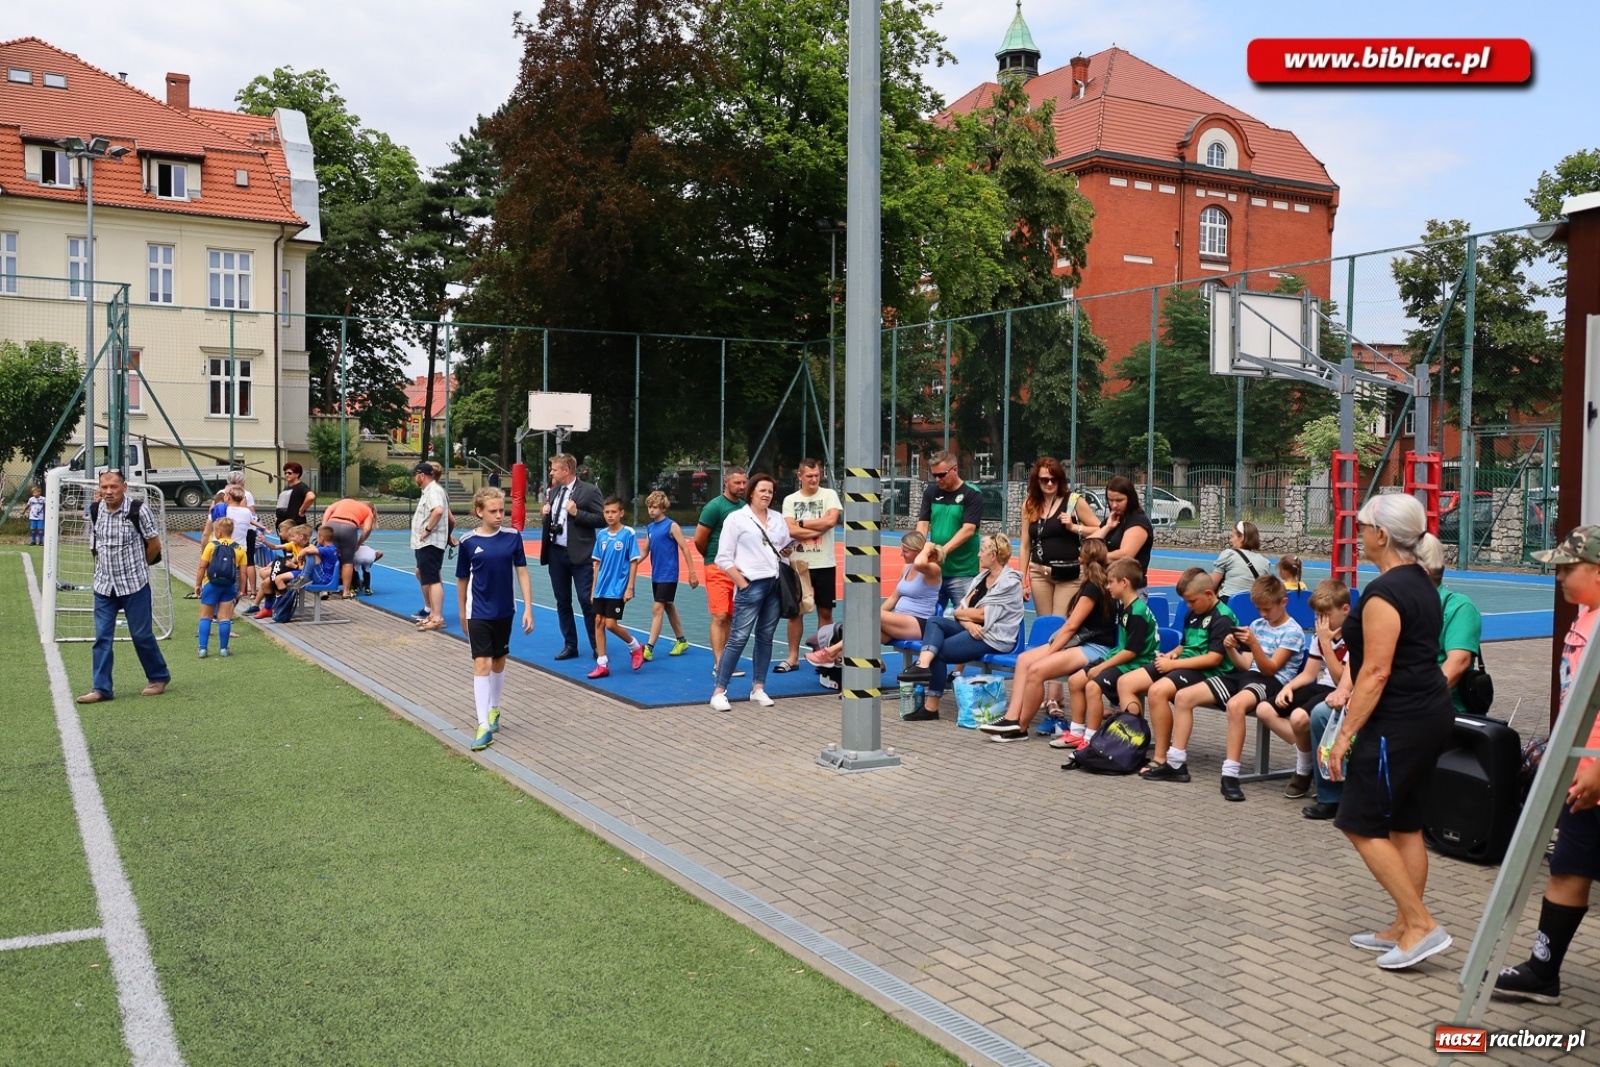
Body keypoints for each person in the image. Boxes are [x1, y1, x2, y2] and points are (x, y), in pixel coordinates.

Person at [1325, 494, 1455, 971]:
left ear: (1382, 535)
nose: (1358, 535)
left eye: (1362, 527)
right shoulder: (1420, 581)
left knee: (1359, 823)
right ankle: (1403, 926)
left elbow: (1375, 673)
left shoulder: (1384, 594)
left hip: (1398, 721)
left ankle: (1421, 924)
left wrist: (1344, 737)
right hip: (1428, 714)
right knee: (1405, 822)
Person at [1494, 525, 1600, 1006]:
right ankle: (1543, 971)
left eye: (1567, 566)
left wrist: (1596, 764)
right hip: (1579, 772)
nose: (1557, 575)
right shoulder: (1585, 616)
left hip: (1593, 770)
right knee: (1568, 868)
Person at [984, 539, 1117, 742]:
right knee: (1024, 660)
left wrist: (1051, 651)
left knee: (1037, 670)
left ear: (1081, 559)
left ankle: (1021, 728)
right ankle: (1011, 717)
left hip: (1096, 647)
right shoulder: (1096, 583)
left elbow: (1071, 626)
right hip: (1082, 642)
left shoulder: (1093, 588)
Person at [897, 533, 1025, 722]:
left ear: (994, 555)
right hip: (975, 629)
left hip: (993, 637)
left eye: (981, 551)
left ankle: (931, 707)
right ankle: (923, 665)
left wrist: (967, 617)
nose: (978, 555)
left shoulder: (1010, 582)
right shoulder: (981, 578)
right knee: (935, 620)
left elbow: (984, 615)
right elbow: (959, 610)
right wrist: (967, 622)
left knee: (937, 651)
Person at [1205, 575, 1307, 801]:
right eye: (1259, 609)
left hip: (1274, 682)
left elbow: (1270, 669)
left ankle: (1229, 774)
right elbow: (1244, 664)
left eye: (1267, 609)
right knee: (1185, 696)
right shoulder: (1257, 625)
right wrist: (1231, 649)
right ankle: (1173, 760)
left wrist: (1253, 644)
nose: (1263, 614)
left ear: (1284, 602)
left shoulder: (1293, 631)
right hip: (1250, 676)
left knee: (1235, 705)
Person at [1133, 567, 1240, 775]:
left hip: (1212, 673)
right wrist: (1171, 654)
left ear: (1209, 594)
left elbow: (1214, 658)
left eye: (1192, 601)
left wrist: (1173, 665)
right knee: (1129, 682)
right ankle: (1133, 745)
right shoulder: (1193, 613)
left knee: (1157, 691)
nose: (1188, 606)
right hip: (1186, 664)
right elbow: (1185, 645)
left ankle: (1162, 758)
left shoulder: (1223, 618)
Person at [76, 471, 171, 704]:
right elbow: (96, 544)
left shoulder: (138, 510)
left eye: (114, 487)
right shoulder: (96, 510)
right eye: (104, 487)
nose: (109, 491)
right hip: (104, 586)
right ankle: (101, 689)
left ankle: (158, 677)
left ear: (124, 487)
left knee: (141, 635)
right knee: (102, 637)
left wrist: (139, 567)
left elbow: (154, 545)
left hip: (134, 585)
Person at [456, 488, 534, 751]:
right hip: (478, 612)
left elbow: (522, 573)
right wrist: (461, 612)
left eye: (502, 510)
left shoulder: (513, 537)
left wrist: (528, 608)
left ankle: (494, 709)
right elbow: (462, 580)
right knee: (482, 663)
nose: (500, 515)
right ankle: (482, 726)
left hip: (505, 611)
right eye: (494, 511)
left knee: (499, 661)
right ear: (479, 512)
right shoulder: (467, 542)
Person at [709, 472, 793, 712]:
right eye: (762, 490)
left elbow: (785, 549)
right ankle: (719, 691)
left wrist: (788, 551)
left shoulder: (777, 519)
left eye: (770, 491)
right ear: (751, 492)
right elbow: (723, 557)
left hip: (775, 585)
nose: (767, 495)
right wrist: (742, 582)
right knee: (738, 638)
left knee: (766, 637)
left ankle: (758, 688)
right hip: (751, 585)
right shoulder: (736, 519)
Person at [806, 531, 943, 665]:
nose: (901, 554)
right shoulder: (907, 567)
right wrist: (872, 616)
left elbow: (920, 563)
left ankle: (829, 653)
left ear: (919, 552)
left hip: (919, 624)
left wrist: (927, 547)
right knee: (863, 633)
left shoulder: (932, 570)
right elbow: (894, 597)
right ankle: (843, 665)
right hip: (899, 622)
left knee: (867, 616)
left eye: (905, 551)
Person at [1064, 558, 1160, 748]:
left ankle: (1091, 739)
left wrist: (1102, 666)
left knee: (1092, 687)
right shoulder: (1124, 607)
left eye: (1110, 582)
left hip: (1136, 663)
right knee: (1075, 681)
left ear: (1124, 582)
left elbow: (1131, 652)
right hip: (1121, 658)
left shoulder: (1137, 612)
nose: (1107, 586)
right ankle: (1076, 731)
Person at [1276, 579, 1352, 808]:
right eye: (1318, 615)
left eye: (1326, 614)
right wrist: (1288, 686)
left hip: (1342, 689)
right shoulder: (1322, 634)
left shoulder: (1353, 635)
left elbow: (1342, 683)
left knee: (1301, 717)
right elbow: (1310, 673)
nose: (1321, 621)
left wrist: (1327, 644)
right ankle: (1307, 757)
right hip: (1324, 685)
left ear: (1345, 610)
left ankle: (1304, 770)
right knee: (1265, 708)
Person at [540, 454, 605, 661]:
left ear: (566, 470)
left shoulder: (589, 491)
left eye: (554, 469)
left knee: (587, 601)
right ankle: (570, 644)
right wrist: (546, 515)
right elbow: (555, 520)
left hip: (581, 555)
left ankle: (597, 646)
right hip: (557, 552)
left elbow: (603, 518)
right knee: (562, 601)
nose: (551, 472)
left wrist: (578, 513)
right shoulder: (554, 490)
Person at [778, 458, 839, 672]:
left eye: (817, 475)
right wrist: (814, 529)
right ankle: (793, 657)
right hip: (799, 564)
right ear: (799, 476)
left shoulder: (829, 495)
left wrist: (801, 523)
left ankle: (824, 655)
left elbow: (831, 521)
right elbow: (790, 530)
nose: (814, 479)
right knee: (796, 612)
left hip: (825, 564)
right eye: (809, 476)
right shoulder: (790, 500)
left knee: (825, 613)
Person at [1019, 457, 1100, 618]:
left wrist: (1073, 527)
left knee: (1060, 624)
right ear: (1037, 481)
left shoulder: (1073, 501)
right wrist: (1022, 580)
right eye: (1044, 480)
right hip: (1039, 572)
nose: (1049, 484)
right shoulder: (1030, 504)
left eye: (1054, 480)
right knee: (1045, 622)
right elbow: (1025, 545)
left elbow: (1100, 529)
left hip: (1068, 572)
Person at [694, 466, 748, 678]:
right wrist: (713, 557)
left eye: (744, 482)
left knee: (732, 617)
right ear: (726, 482)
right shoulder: (714, 507)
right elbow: (700, 538)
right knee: (719, 615)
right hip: (717, 568)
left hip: (738, 570)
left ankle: (727, 660)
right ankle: (720, 664)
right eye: (737, 482)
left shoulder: (745, 508)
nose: (742, 486)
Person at [916, 450, 984, 613]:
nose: (938, 479)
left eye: (941, 475)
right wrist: (919, 549)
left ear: (954, 470)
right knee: (926, 617)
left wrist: (942, 552)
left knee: (966, 617)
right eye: (935, 475)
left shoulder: (972, 493)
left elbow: (968, 530)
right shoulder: (931, 492)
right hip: (935, 571)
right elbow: (923, 524)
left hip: (963, 572)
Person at [588, 496, 646, 679]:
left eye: (614, 512)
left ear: (621, 513)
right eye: (607, 512)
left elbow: (634, 562)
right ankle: (602, 664)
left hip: (618, 588)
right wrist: (593, 589)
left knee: (611, 624)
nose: (610, 515)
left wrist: (630, 587)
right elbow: (597, 564)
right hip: (601, 588)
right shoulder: (602, 535)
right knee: (598, 622)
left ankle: (636, 647)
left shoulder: (628, 534)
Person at [641, 491, 697, 659]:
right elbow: (645, 550)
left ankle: (649, 648)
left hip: (669, 575)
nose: (651, 510)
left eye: (655, 507)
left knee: (657, 607)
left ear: (663, 508)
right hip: (656, 574)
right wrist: (631, 563)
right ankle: (682, 640)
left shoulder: (672, 526)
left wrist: (692, 572)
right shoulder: (650, 528)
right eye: (649, 507)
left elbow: (685, 548)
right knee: (668, 606)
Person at [194, 516, 248, 659]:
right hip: (229, 586)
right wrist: (241, 589)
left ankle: (202, 649)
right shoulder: (239, 548)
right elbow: (243, 572)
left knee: (206, 616)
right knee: (225, 617)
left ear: (218, 532)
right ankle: (223, 649)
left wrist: (198, 584)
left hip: (211, 584)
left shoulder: (211, 546)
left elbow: (202, 567)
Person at [1083, 475, 1152, 575]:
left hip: (1128, 585)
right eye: (1110, 500)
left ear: (1130, 499)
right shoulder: (1112, 520)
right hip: (1106, 582)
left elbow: (1125, 555)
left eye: (1119, 500)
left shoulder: (1138, 521)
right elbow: (1087, 546)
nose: (1114, 505)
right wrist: (1107, 527)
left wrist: (1092, 558)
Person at [411, 461, 451, 631]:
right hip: (427, 543)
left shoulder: (433, 490)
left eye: (415, 475)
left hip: (430, 542)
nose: (414, 478)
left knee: (433, 579)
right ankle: (432, 615)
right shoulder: (429, 491)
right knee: (427, 576)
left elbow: (439, 510)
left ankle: (437, 616)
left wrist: (427, 530)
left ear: (422, 475)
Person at [320, 496, 376, 599]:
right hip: (349, 528)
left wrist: (324, 527)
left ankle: (325, 590)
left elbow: (328, 510)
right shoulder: (368, 511)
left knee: (329, 558)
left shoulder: (344, 501)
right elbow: (367, 529)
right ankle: (345, 592)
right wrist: (359, 542)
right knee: (347, 562)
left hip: (332, 525)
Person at [1211, 520, 1272, 598]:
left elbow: (1212, 585)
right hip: (1253, 606)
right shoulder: (1265, 562)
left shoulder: (1228, 554)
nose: (1231, 540)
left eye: (1233, 536)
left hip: (1228, 605)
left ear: (1241, 538)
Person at [275, 462, 316, 527]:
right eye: (285, 473)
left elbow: (311, 497)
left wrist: (301, 509)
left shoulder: (301, 486)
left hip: (295, 524)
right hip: (284, 524)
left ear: (297, 474)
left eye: (289, 473)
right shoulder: (287, 487)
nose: (287, 475)